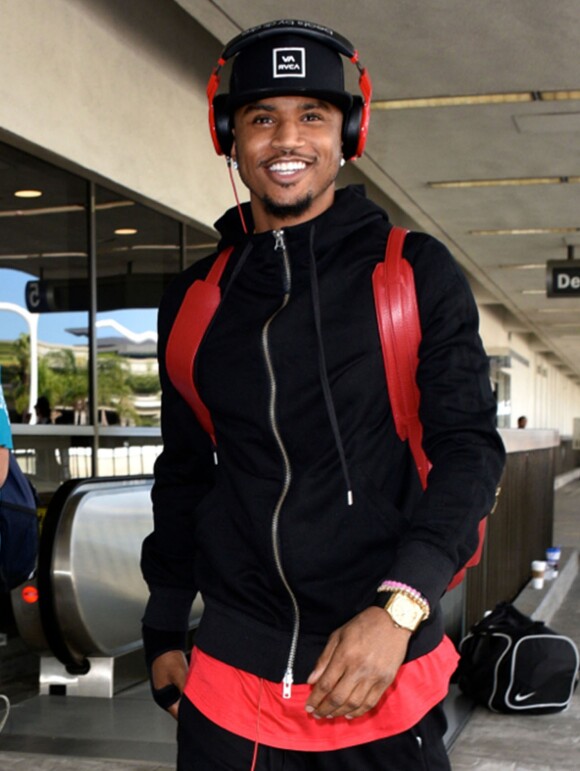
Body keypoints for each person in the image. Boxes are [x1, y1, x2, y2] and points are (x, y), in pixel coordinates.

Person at [141, 19, 506, 771]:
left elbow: (469, 452)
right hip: (231, 674)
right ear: (229, 137)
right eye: (260, 117)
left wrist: (400, 607)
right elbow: (184, 472)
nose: (287, 139)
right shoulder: (196, 300)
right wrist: (165, 622)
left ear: (350, 132)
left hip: (377, 664)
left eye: (312, 114)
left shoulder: (412, 273)